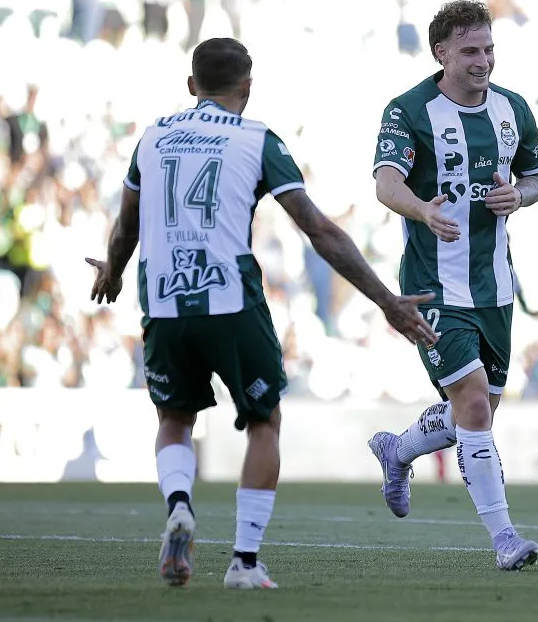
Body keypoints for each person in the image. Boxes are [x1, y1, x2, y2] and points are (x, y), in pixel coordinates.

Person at [86, 38, 437, 590]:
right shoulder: (257, 139)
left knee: (174, 418)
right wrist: (386, 301)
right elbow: (318, 231)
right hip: (229, 294)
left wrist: (111, 269)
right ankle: (244, 562)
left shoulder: (152, 138)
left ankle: (179, 504)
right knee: (264, 421)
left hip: (162, 297)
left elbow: (127, 223)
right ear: (247, 88)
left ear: (190, 85)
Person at [366, 0, 538, 571]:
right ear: (441, 52)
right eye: (470, 51)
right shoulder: (409, 110)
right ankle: (504, 539)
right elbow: (386, 184)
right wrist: (423, 210)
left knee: (480, 411)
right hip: (432, 287)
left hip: (495, 286)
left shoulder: (513, 109)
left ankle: (400, 450)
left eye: (489, 49)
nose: (483, 61)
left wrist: (519, 195)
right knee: (471, 402)